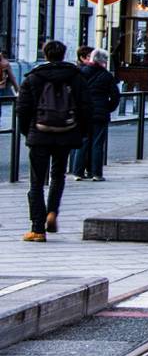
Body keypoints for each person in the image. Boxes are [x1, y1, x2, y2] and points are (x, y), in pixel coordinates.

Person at [15, 40, 91, 241]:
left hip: (39, 134)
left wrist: (27, 132)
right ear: (64, 54)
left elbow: (22, 110)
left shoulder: (33, 78)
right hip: (66, 132)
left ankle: (37, 228)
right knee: (58, 175)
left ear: (45, 54)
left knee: (36, 182)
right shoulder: (75, 76)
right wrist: (81, 131)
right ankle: (52, 212)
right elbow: (86, 107)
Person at [73, 48, 120, 181]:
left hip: (84, 112)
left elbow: (75, 92)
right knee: (97, 143)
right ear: (103, 61)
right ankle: (96, 173)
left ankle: (78, 172)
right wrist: (108, 108)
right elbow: (115, 96)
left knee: (83, 141)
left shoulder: (81, 73)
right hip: (100, 112)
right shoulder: (106, 76)